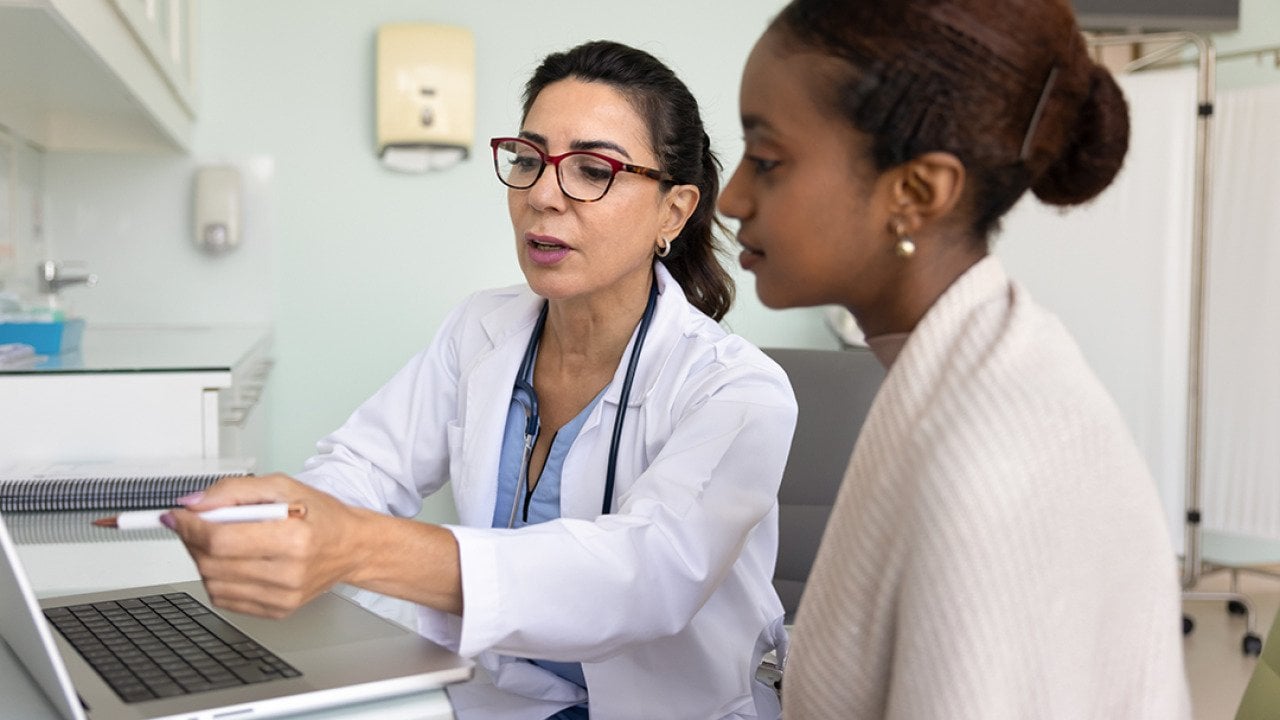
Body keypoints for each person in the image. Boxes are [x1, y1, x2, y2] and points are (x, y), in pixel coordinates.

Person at [165, 41, 797, 720]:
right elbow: (362, 466)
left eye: (592, 170)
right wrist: (286, 519)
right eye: (528, 161)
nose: (543, 196)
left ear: (672, 212)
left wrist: (351, 546)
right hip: (507, 701)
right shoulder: (482, 329)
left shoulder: (737, 392)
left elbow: (643, 579)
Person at [716, 1, 1191, 718]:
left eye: (769, 160)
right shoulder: (955, 366)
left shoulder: (993, 463)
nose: (732, 198)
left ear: (914, 194)